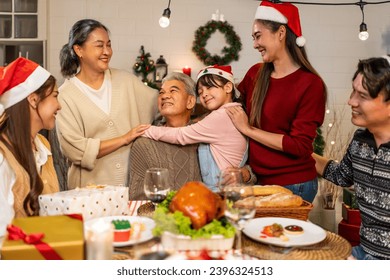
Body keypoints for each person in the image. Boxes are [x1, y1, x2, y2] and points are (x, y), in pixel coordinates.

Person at [226, 1, 327, 202]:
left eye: (258, 36)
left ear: (281, 33)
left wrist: (249, 130)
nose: (254, 44)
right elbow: (229, 104)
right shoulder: (255, 74)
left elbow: (299, 146)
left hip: (294, 184)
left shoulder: (311, 84)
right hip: (258, 182)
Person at [56, 19, 158, 189]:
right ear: (79, 49)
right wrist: (125, 138)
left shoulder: (126, 81)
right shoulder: (65, 96)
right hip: (89, 193)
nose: (107, 52)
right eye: (99, 45)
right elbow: (76, 150)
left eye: (108, 45)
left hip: (132, 189)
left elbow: (160, 105)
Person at [313, 56, 390, 260]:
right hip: (362, 251)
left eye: (362, 95)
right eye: (353, 90)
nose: (351, 101)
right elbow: (341, 175)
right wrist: (297, 150)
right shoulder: (360, 140)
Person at [143, 65, 248, 191]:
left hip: (222, 192)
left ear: (228, 87)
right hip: (228, 190)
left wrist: (145, 130)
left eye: (209, 87)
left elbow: (181, 136)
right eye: (200, 91)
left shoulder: (221, 116)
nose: (204, 94)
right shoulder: (233, 112)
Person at [0, 57, 60, 237]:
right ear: (33, 100)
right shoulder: (3, 159)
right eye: (55, 97)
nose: (59, 106)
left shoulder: (43, 145)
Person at [127, 72, 202, 200]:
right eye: (161, 93)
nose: (165, 96)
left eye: (173, 90)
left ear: (190, 101)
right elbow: (137, 198)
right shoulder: (144, 144)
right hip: (158, 218)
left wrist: (247, 174)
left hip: (202, 216)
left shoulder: (204, 138)